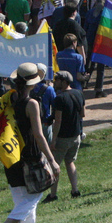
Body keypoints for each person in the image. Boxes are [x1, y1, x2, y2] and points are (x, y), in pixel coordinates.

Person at [0, 63, 60, 223]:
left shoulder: (7, 100)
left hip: (10, 156)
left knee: (21, 199)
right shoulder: (32, 104)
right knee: (34, 196)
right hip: (30, 155)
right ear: (33, 83)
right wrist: (52, 160)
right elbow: (38, 134)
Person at [46, 71, 84, 201]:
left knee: (55, 165)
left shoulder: (60, 98)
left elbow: (58, 120)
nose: (55, 82)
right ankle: (75, 190)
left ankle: (53, 195)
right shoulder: (79, 93)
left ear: (64, 82)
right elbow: (82, 114)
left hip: (63, 137)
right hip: (76, 136)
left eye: (57, 79)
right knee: (70, 162)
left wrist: (54, 139)